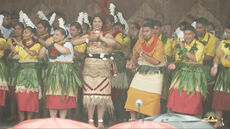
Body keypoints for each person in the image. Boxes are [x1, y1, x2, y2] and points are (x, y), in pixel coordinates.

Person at [71, 14, 120, 128]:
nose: (97, 24)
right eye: (95, 22)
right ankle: (91, 121)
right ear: (92, 23)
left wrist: (101, 38)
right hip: (89, 68)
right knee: (90, 96)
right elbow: (74, 42)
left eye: (99, 22)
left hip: (103, 68)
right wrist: (89, 39)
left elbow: (114, 44)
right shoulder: (88, 35)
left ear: (103, 24)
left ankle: (101, 122)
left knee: (102, 96)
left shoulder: (107, 35)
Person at [39, 24, 82, 119]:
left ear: (63, 36)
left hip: (64, 73)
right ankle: (52, 119)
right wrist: (45, 46)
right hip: (53, 73)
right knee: (52, 95)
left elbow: (64, 51)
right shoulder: (50, 46)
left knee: (63, 95)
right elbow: (41, 56)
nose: (54, 36)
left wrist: (53, 44)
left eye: (57, 35)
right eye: (54, 34)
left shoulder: (68, 44)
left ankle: (62, 120)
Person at [125, 21, 164, 120]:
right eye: (143, 31)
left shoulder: (159, 43)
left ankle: (152, 123)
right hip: (141, 72)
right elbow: (134, 56)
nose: (144, 33)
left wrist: (142, 53)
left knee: (153, 99)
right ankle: (133, 120)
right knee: (132, 93)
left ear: (152, 31)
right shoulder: (140, 42)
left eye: (147, 31)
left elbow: (156, 62)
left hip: (155, 74)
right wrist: (131, 63)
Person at [167, 25, 206, 118]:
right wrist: (174, 65)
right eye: (185, 34)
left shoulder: (199, 45)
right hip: (181, 72)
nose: (187, 36)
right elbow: (178, 60)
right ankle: (174, 120)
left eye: (189, 34)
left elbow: (195, 58)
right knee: (175, 95)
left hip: (195, 74)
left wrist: (183, 48)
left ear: (194, 35)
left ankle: (197, 123)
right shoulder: (180, 45)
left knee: (195, 99)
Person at [13, 26, 41, 121]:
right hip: (21, 72)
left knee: (31, 97)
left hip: (32, 72)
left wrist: (22, 46)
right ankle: (22, 121)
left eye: (26, 32)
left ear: (32, 34)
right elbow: (11, 56)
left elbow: (32, 54)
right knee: (21, 97)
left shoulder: (36, 45)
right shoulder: (19, 44)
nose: (24, 34)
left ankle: (28, 121)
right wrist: (11, 48)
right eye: (23, 32)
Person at [211, 24, 230, 128]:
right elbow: (217, 56)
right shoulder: (223, 42)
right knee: (219, 97)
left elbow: (223, 55)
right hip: (223, 72)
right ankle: (218, 121)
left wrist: (225, 55)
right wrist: (215, 66)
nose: (228, 35)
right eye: (226, 32)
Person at [6, 22, 24, 121]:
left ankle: (22, 115)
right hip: (13, 68)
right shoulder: (11, 40)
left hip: (22, 67)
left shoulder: (26, 41)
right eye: (15, 29)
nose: (16, 31)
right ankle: (13, 114)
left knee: (21, 93)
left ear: (23, 30)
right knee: (12, 93)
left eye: (19, 29)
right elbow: (10, 53)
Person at [68, 21, 85, 120]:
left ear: (79, 31)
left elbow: (80, 55)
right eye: (70, 30)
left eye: (73, 30)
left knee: (77, 90)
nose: (71, 32)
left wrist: (71, 46)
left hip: (78, 66)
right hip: (69, 66)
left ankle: (77, 113)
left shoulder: (82, 40)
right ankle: (69, 112)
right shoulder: (69, 40)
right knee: (69, 89)